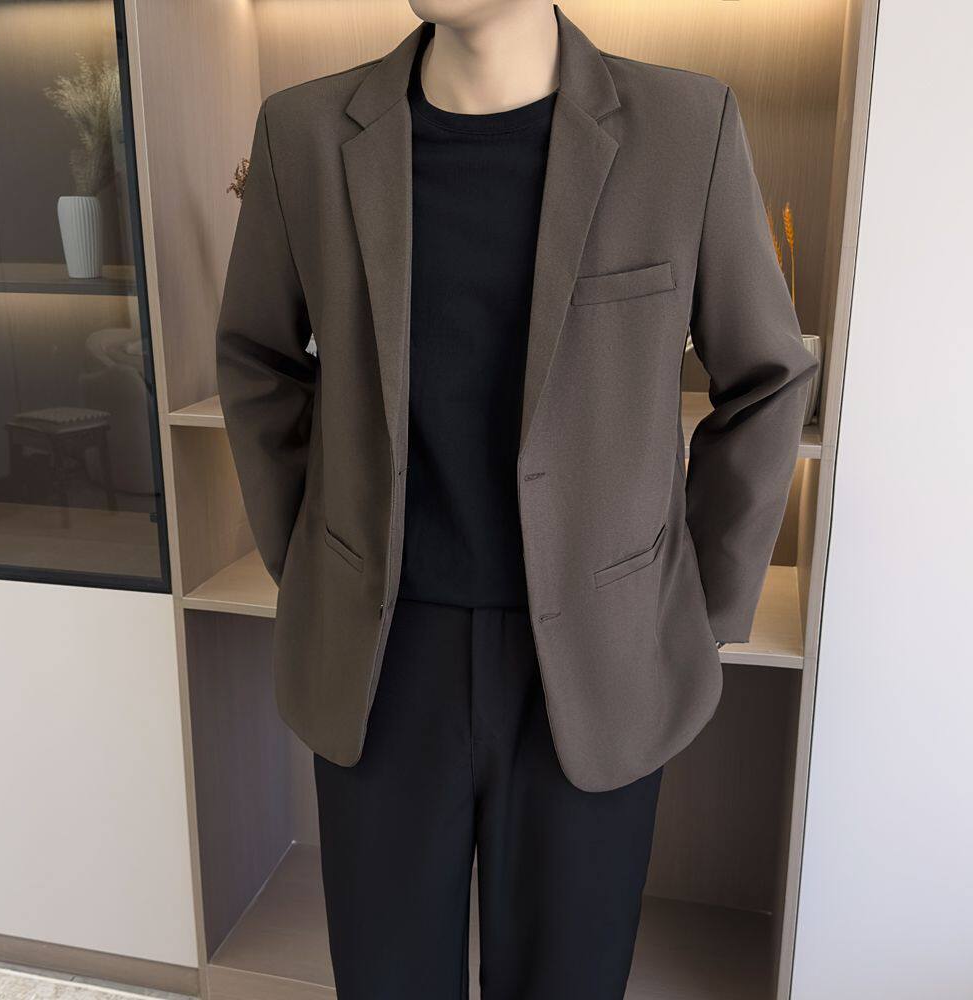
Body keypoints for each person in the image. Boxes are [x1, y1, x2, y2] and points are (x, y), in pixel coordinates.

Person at [215, 2, 819, 997]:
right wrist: (310, 561)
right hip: (379, 660)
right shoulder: (304, 131)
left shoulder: (685, 127)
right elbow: (258, 360)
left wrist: (691, 610)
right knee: (386, 980)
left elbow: (766, 379)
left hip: (599, 659)